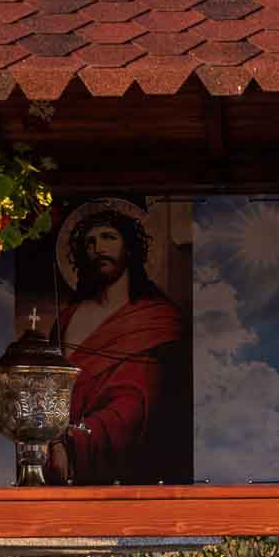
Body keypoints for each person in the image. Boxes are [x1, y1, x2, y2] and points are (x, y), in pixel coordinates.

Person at [44, 203, 190, 485]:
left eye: (109, 237)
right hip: (63, 455)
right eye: (90, 242)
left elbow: (141, 401)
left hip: (129, 464)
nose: (98, 247)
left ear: (130, 247)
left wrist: (74, 441)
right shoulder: (67, 319)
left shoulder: (158, 318)